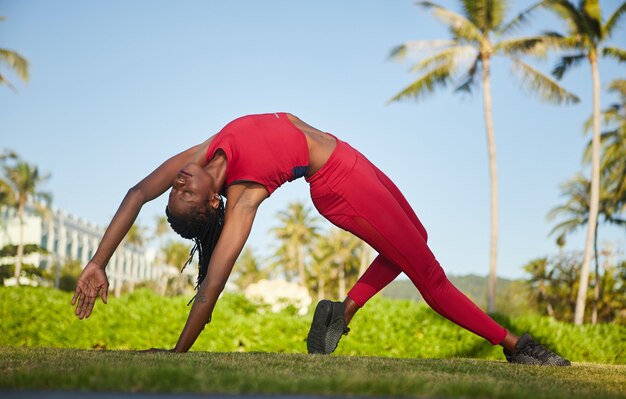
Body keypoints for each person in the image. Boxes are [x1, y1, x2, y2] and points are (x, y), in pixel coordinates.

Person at [72, 112, 570, 365]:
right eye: (183, 194)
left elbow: (138, 192)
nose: (178, 182)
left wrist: (98, 262)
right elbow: (210, 291)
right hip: (339, 187)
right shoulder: (243, 199)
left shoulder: (205, 151)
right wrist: (178, 353)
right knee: (429, 274)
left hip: (347, 157)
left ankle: (342, 311)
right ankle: (515, 345)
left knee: (416, 237)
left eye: (177, 187)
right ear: (211, 205)